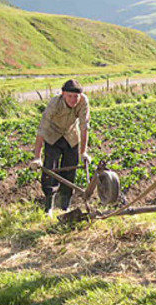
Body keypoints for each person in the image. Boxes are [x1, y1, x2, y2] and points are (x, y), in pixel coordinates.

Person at [30, 79, 91, 216]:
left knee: (71, 168)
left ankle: (65, 207)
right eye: (70, 96)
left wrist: (84, 152)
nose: (73, 100)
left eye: (76, 96)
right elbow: (42, 129)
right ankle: (49, 207)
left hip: (71, 135)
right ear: (63, 94)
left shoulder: (83, 102)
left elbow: (84, 127)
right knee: (50, 168)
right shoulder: (54, 103)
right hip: (53, 135)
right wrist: (37, 157)